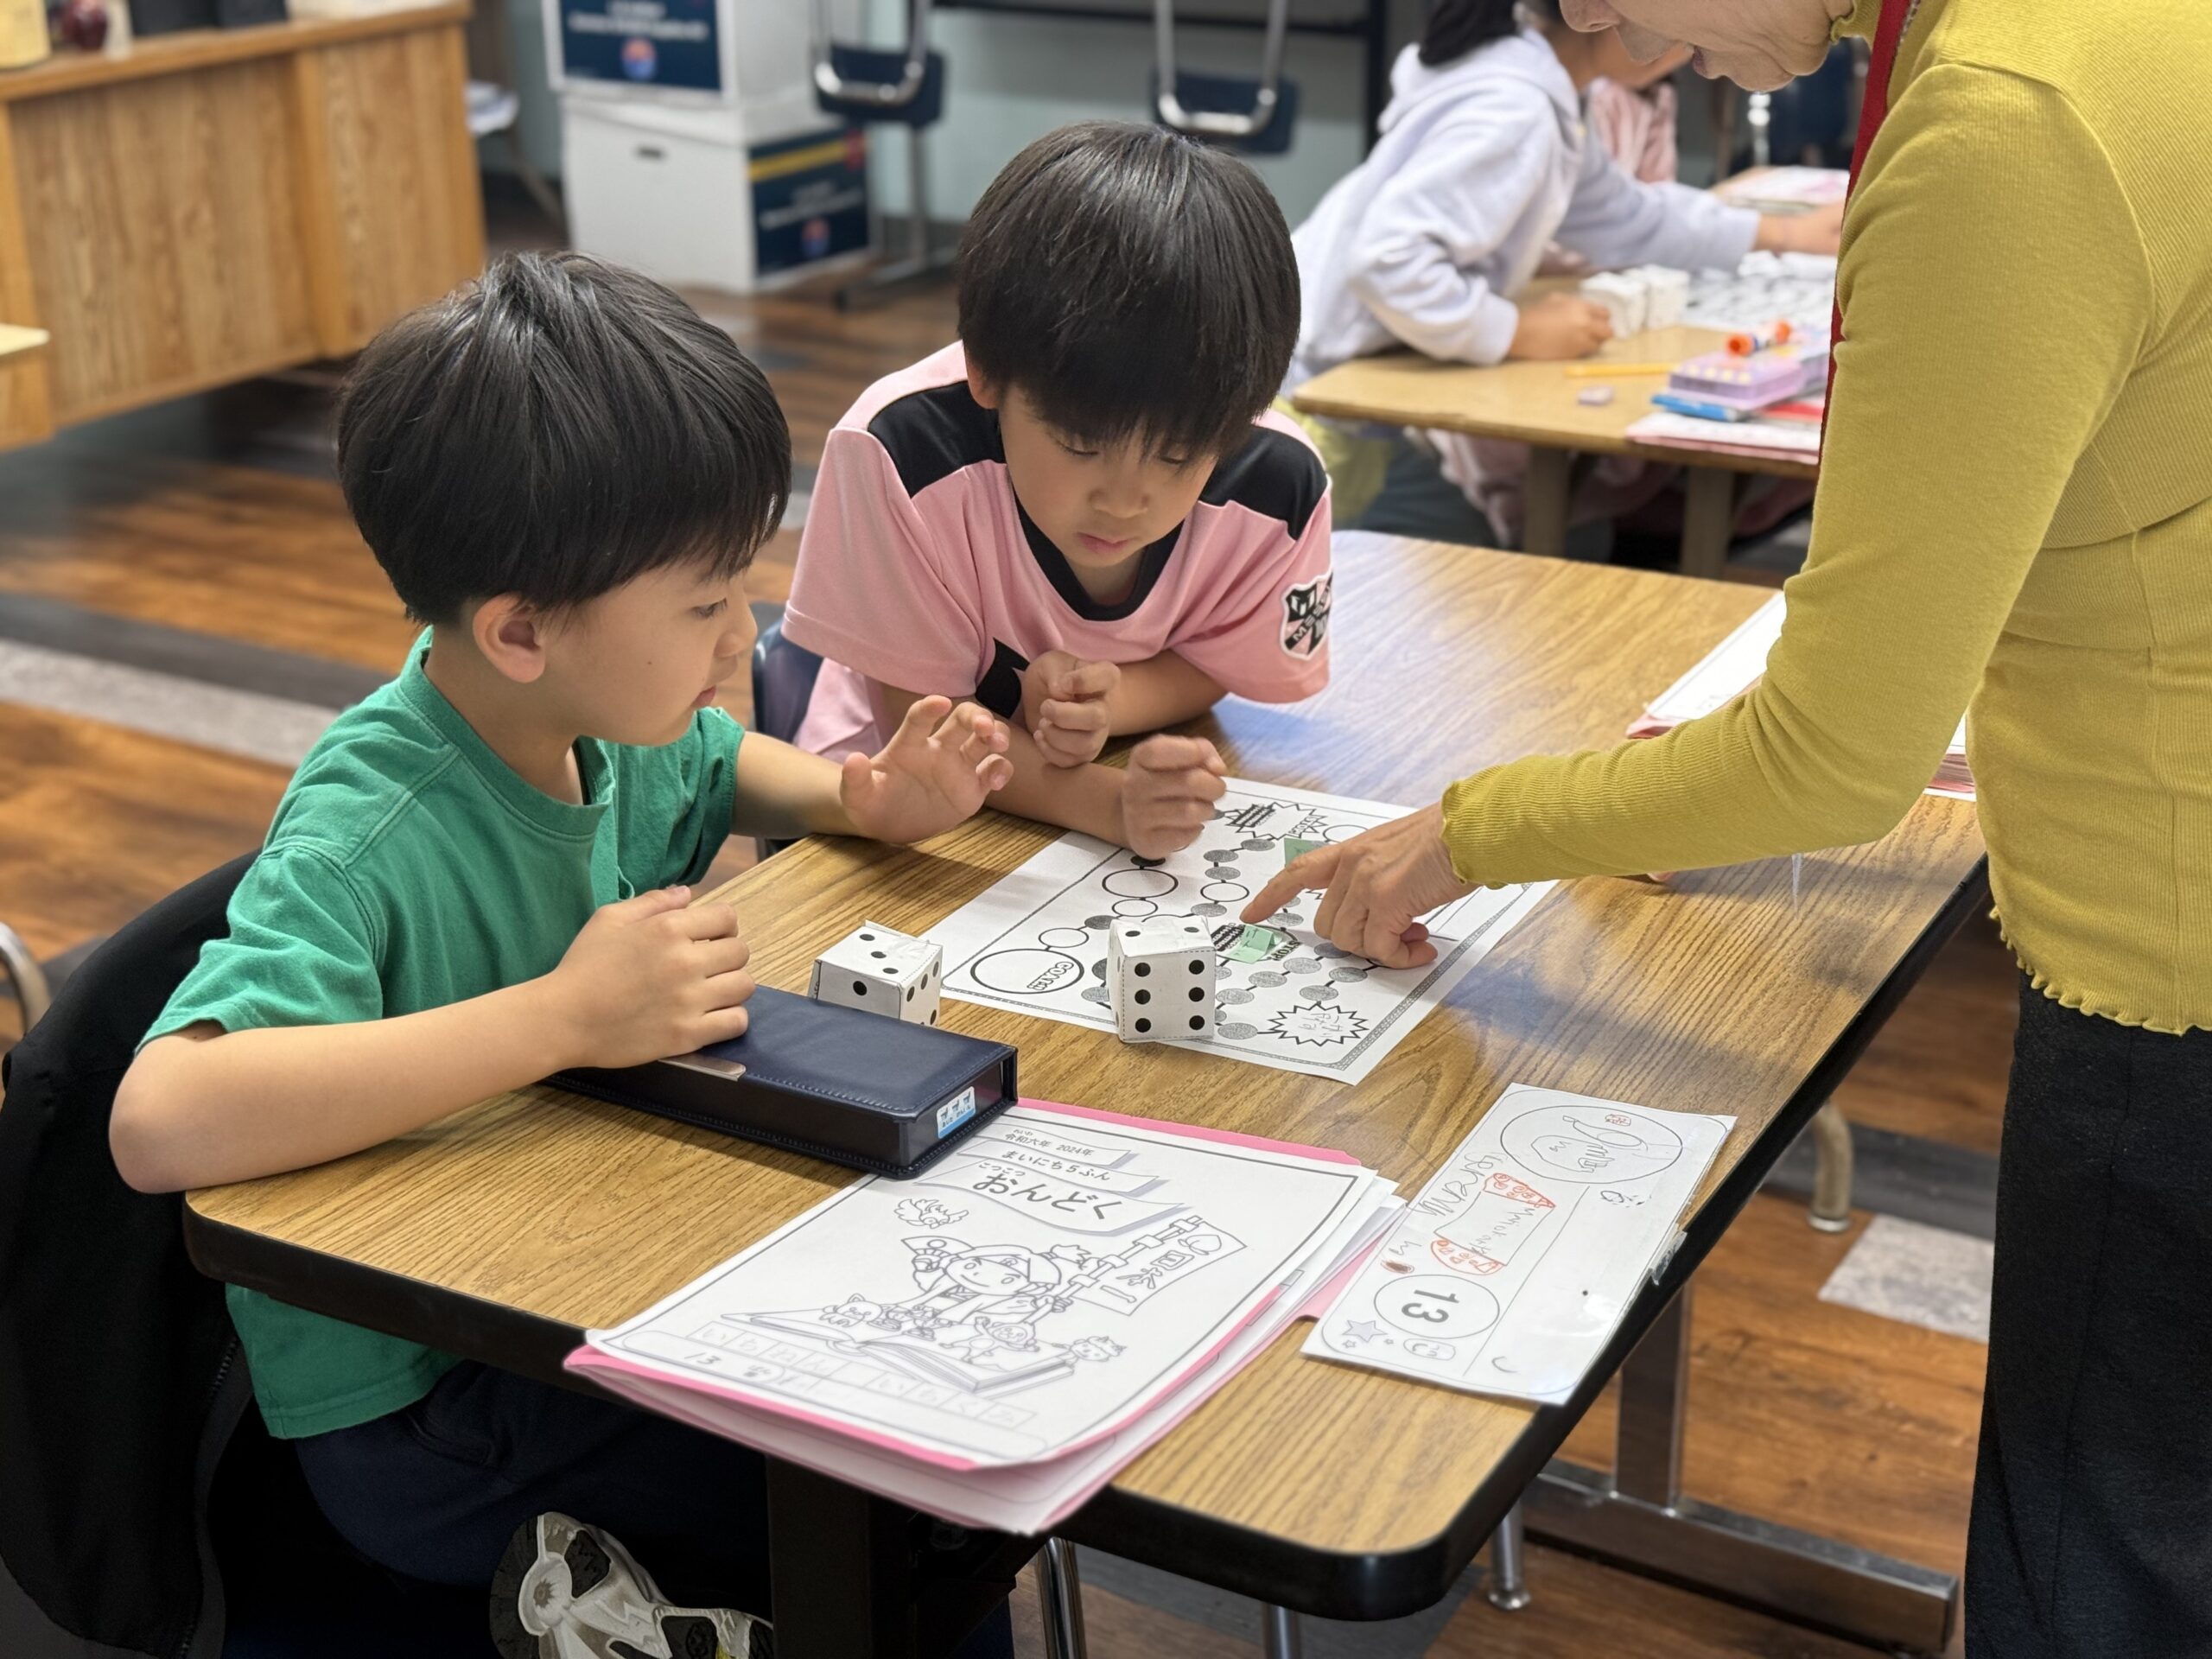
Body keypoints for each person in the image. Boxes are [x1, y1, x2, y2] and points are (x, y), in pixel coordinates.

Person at [1248, 0, 2212, 1650]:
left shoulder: (2011, 121)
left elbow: (1839, 751)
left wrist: (1466, 830)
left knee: (2104, 1565)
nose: (1600, 14)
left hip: (2171, 941)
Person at [109, 252, 1020, 1659]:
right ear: (522, 630)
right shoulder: (369, 833)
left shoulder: (602, 723)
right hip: (424, 1409)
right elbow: (160, 1121)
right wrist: (558, 1017)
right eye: (707, 605)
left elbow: (722, 761)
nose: (746, 636)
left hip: (556, 1276)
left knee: (932, 1442)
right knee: (895, 1480)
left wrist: (858, 799)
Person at [783, 121, 1334, 861]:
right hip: (895, 812)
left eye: (1176, 457)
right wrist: (1105, 804)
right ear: (987, 371)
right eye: (1081, 445)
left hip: (1106, 790)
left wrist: (1117, 697)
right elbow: (921, 721)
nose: (1126, 501)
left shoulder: (1276, 484)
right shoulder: (899, 452)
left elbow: (1219, 657)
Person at [1281, 0, 1840, 542]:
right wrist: (1516, 331)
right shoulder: (1516, 108)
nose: (1679, 54)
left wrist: (1781, 233)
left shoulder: (1545, 90)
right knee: (1489, 556)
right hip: (1309, 405)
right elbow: (1387, 261)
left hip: (1336, 386)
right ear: (1595, 12)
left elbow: (1624, 214)